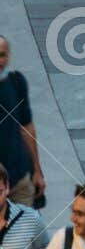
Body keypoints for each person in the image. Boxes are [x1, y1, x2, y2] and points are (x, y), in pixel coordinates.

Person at [0, 38, 44, 207]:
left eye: (2, 55)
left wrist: (37, 170)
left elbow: (26, 127)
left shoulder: (16, 83)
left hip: (19, 180)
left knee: (24, 231)